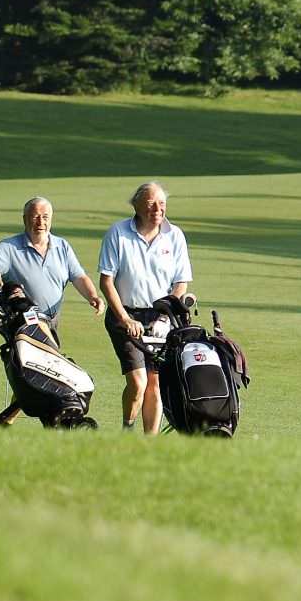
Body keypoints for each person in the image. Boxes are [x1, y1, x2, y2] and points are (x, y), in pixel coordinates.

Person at [0, 196, 104, 424]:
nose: (40, 222)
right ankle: (38, 421)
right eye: (35, 217)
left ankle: (16, 421)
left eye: (45, 217)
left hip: (51, 321)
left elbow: (78, 276)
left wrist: (93, 296)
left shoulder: (62, 247)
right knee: (33, 374)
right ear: (25, 219)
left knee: (45, 373)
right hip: (23, 322)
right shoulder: (11, 247)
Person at [97, 181, 192, 435]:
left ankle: (148, 444)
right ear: (137, 206)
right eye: (151, 204)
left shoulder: (175, 235)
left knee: (155, 382)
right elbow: (106, 281)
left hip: (161, 317)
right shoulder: (117, 233)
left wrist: (165, 316)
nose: (157, 209)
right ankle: (127, 430)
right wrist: (125, 318)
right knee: (138, 382)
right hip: (125, 314)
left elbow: (180, 282)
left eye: (161, 204)